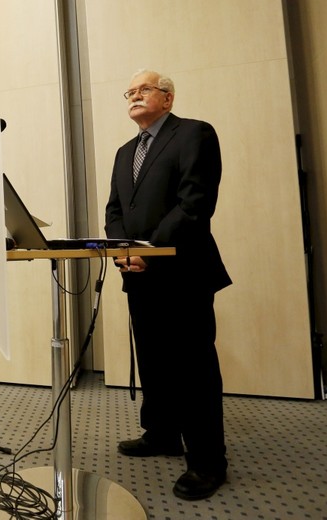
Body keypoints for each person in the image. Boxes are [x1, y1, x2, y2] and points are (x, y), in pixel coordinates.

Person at [104, 69, 232, 500]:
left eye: (144, 89)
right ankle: (161, 434)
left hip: (183, 273)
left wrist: (151, 250)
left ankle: (208, 462)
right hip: (137, 274)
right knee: (154, 360)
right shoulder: (125, 152)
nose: (134, 96)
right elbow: (114, 209)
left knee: (193, 369)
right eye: (129, 92)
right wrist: (123, 250)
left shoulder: (194, 134)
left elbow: (195, 202)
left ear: (168, 98)